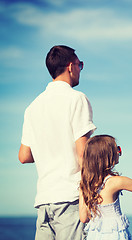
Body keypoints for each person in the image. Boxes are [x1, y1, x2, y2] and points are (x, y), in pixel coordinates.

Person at [18, 45, 96, 240]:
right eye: (80, 65)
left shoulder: (32, 107)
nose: (80, 69)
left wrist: (49, 147)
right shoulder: (76, 98)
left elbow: (24, 156)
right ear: (71, 66)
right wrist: (90, 197)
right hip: (69, 199)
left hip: (44, 201)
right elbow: (82, 154)